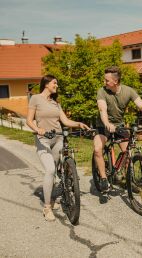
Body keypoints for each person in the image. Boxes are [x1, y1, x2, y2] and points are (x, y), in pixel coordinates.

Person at [26, 75, 90, 222]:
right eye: (55, 83)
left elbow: (65, 121)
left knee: (55, 171)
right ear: (47, 84)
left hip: (58, 138)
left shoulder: (56, 103)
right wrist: (38, 129)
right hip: (43, 140)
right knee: (49, 170)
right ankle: (47, 207)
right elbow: (29, 120)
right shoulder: (35, 98)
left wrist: (79, 123)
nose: (57, 86)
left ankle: (55, 196)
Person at [93, 66, 142, 192]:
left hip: (119, 125)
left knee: (127, 153)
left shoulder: (128, 91)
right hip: (103, 126)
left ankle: (127, 179)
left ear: (116, 82)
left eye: (106, 80)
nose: (104, 82)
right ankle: (103, 178)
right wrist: (107, 123)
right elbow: (102, 109)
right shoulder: (101, 91)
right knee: (97, 149)